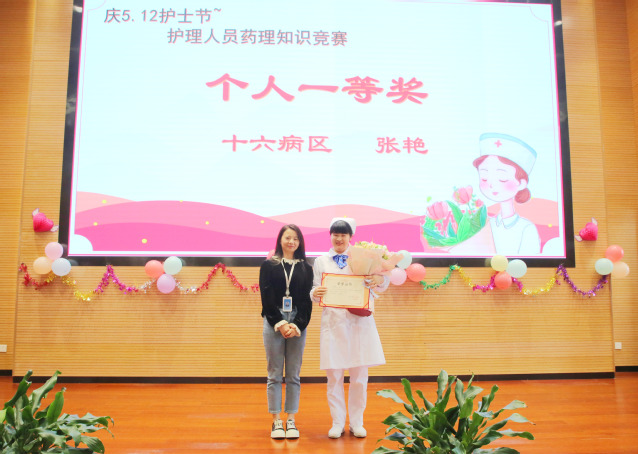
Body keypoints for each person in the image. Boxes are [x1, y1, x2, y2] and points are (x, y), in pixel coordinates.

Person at [310, 218, 389, 439]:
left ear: (350, 237)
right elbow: (315, 290)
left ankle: (356, 422)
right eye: (335, 234)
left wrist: (376, 280)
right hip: (333, 325)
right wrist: (314, 294)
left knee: (359, 377)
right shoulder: (320, 261)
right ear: (330, 235)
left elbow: (383, 284)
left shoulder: (363, 257)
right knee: (334, 377)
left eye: (343, 234)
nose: (339, 238)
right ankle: (337, 423)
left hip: (358, 325)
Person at [259, 224, 313, 439]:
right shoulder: (268, 265)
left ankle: (291, 419)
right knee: (274, 374)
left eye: (296, 239)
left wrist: (297, 325)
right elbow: (266, 297)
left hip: (297, 322)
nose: (291, 242)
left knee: (293, 375)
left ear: (300, 243)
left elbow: (307, 301)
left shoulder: (306, 268)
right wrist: (280, 323)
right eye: (288, 237)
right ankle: (276, 421)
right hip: (274, 321)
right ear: (280, 240)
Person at [473, 132, 541, 255]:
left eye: (502, 178)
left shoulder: (526, 228)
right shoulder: (486, 225)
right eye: (484, 177)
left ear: (521, 183)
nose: (491, 184)